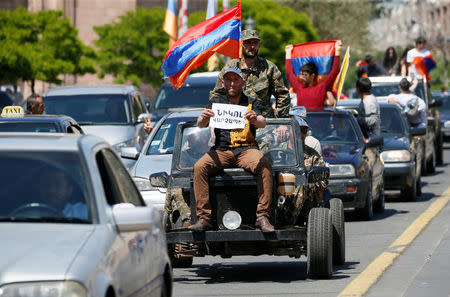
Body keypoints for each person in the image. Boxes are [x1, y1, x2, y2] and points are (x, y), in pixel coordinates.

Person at [189, 67, 274, 232]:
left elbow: (263, 122)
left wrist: (255, 119)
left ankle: (262, 216)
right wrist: (203, 118)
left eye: (236, 80)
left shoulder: (252, 102)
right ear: (223, 83)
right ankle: (204, 217)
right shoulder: (216, 102)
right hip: (221, 150)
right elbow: (200, 123)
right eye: (228, 80)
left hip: (247, 149)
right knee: (199, 167)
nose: (232, 83)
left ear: (242, 82)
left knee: (264, 164)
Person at [209, 29, 291, 119]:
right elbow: (217, 94)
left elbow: (282, 94)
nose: (252, 46)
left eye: (255, 43)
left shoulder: (269, 68)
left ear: (259, 45)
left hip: (263, 125)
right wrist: (216, 118)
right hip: (235, 122)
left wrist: (281, 121)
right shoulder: (231, 67)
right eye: (248, 43)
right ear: (242, 44)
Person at [285, 40, 343, 108]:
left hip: (319, 118)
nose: (301, 77)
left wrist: (337, 51)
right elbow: (289, 73)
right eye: (300, 74)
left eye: (304, 75)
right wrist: (288, 53)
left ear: (312, 76)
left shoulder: (322, 87)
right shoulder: (299, 87)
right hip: (302, 118)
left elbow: (334, 71)